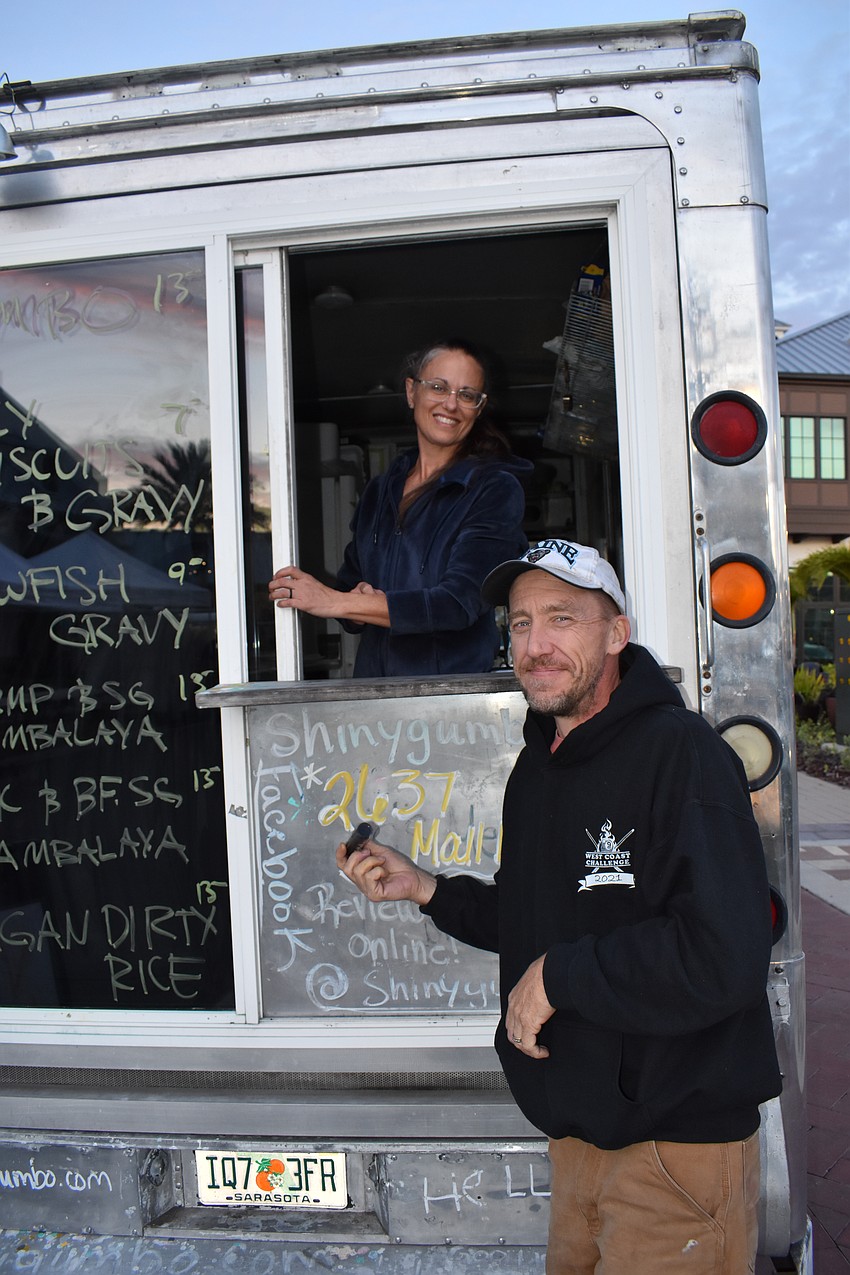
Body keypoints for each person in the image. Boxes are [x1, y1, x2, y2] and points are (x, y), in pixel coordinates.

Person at [337, 537, 782, 1274]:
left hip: (678, 1150)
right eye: (520, 623)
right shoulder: (536, 769)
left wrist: (559, 976)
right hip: (579, 1140)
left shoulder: (683, 754)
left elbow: (723, 954)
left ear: (616, 633)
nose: (535, 644)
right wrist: (426, 888)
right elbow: (536, 915)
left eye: (562, 618)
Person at [268, 338, 531, 677]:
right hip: (377, 696)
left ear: (478, 409)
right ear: (411, 392)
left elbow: (457, 604)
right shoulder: (380, 492)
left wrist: (335, 601)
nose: (451, 404)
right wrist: (357, 600)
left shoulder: (493, 489)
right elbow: (351, 586)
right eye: (438, 387)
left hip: (450, 699)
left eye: (466, 395)